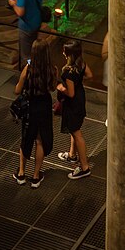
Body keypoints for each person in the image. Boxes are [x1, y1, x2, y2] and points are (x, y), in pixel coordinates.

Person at [14, 34, 58, 188]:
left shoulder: (28, 69)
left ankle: (21, 173)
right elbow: (52, 88)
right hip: (44, 107)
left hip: (30, 107)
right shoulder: (52, 69)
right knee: (40, 140)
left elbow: (17, 90)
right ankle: (36, 176)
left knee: (26, 140)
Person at [55, 39, 92, 180]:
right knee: (73, 128)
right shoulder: (81, 64)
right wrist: (79, 81)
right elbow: (90, 75)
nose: (63, 52)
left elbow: (70, 93)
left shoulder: (68, 72)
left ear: (68, 53)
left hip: (73, 104)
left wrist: (61, 88)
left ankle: (84, 168)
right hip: (80, 99)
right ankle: (72, 155)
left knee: (76, 133)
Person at [8, 0, 44, 66]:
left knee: (26, 54)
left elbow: (20, 12)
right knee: (34, 48)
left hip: (26, 26)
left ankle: (30, 70)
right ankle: (38, 65)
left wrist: (14, 3)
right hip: (37, 21)